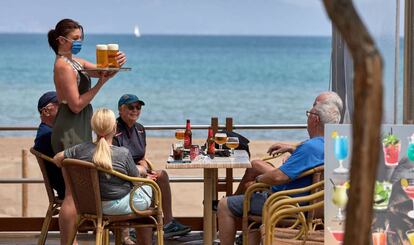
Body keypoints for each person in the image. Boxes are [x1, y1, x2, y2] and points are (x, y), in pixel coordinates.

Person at [47, 18, 126, 245]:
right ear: (61, 40)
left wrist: (116, 64)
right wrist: (100, 85)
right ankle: (67, 242)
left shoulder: (74, 61)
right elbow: (76, 104)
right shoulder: (62, 65)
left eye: (81, 39)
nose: (79, 42)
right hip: (70, 127)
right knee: (72, 193)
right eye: (75, 39)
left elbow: (103, 71)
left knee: (76, 192)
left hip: (79, 126)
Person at [217, 102, 341, 245]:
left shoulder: (310, 147)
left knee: (224, 205)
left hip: (285, 205)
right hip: (313, 207)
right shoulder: (334, 145)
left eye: (308, 114)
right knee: (249, 194)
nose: (307, 119)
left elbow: (277, 177)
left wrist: (258, 180)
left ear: (315, 119)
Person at [54, 108, 154, 245]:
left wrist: (68, 165)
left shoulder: (80, 149)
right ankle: (144, 240)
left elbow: (57, 158)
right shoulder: (123, 153)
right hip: (117, 206)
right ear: (114, 128)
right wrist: (145, 176)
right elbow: (136, 180)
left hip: (91, 204)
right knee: (151, 187)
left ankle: (127, 238)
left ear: (93, 127)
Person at [113, 94, 191, 238]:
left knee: (162, 175)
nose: (135, 110)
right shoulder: (114, 130)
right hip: (122, 176)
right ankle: (137, 229)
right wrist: (139, 172)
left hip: (138, 171)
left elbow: (141, 156)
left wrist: (144, 168)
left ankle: (168, 223)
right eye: (131, 107)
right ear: (120, 109)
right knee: (152, 182)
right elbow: (114, 162)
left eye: (138, 107)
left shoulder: (140, 129)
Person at [234, 91, 343, 195]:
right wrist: (293, 150)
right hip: (310, 195)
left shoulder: (313, 145)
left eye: (318, 106)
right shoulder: (339, 142)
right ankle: (237, 201)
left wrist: (257, 182)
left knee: (255, 166)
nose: (313, 108)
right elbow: (316, 157)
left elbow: (279, 177)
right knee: (257, 167)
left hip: (290, 195)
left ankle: (234, 202)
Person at [33, 91, 65, 199]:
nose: (64, 108)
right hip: (67, 188)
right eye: (60, 104)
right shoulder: (48, 135)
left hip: (64, 185)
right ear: (46, 111)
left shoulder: (47, 131)